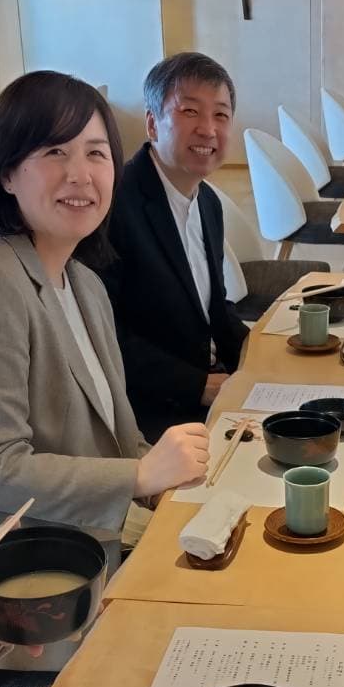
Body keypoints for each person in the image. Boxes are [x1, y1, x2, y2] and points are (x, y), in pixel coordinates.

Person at [0, 71, 209, 656]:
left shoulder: (83, 282)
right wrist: (140, 477)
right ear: (7, 173)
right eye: (54, 153)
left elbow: (114, 439)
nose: (80, 175)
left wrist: (170, 472)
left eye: (96, 153)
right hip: (23, 597)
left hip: (93, 544)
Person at [102, 52, 249, 441]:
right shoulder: (114, 205)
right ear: (153, 123)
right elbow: (103, 336)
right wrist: (198, 385)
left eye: (221, 115)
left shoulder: (207, 201)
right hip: (153, 411)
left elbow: (214, 308)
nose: (208, 129)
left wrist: (261, 350)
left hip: (212, 386)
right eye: (190, 111)